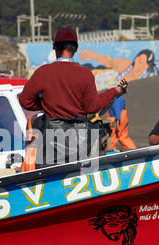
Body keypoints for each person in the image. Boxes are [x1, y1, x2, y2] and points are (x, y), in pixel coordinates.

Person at [19, 26, 128, 168]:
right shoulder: (85, 74)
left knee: (51, 181)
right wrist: (116, 90)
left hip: (51, 138)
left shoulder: (43, 72)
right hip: (79, 140)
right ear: (76, 49)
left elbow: (24, 100)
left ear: (55, 47)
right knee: (78, 178)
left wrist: (47, 103)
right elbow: (92, 107)